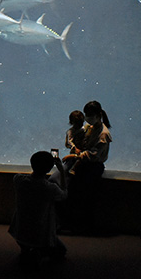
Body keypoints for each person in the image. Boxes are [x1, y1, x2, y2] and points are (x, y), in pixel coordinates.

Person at [8, 150, 68, 269]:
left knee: (26, 239)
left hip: (19, 232)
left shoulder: (18, 180)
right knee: (61, 251)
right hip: (41, 237)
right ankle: (38, 253)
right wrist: (61, 170)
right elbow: (64, 195)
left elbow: (29, 179)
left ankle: (26, 250)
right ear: (49, 168)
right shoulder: (50, 188)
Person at [62, 100, 112, 233]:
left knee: (85, 196)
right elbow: (75, 135)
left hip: (93, 167)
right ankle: (74, 224)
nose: (87, 118)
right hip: (84, 164)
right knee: (76, 193)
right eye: (86, 115)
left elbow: (92, 154)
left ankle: (83, 226)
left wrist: (73, 156)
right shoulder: (90, 127)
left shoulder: (103, 134)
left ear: (98, 115)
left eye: (89, 115)